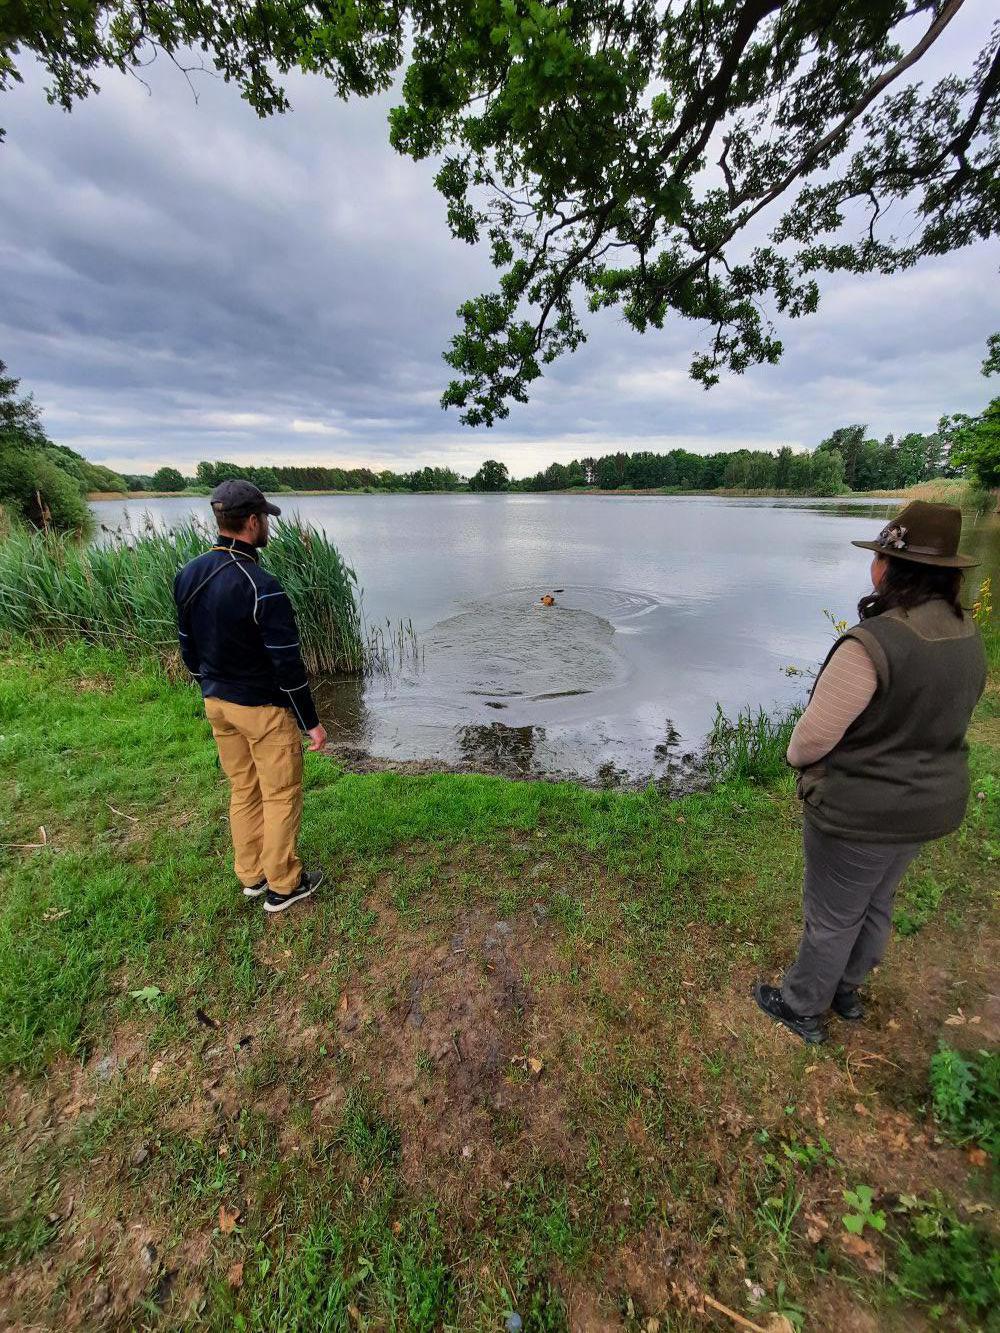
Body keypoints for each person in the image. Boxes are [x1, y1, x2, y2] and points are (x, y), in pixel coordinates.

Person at [755, 501, 986, 1044]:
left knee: (832, 915)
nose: (874, 564)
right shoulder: (966, 634)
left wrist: (799, 762)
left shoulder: (873, 644)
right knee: (877, 902)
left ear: (891, 568)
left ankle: (802, 1006)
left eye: (880, 555)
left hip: (861, 812)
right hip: (927, 807)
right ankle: (846, 991)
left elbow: (811, 739)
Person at [173, 479, 327, 914]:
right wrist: (310, 722)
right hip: (261, 710)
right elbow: (287, 665)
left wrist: (211, 687)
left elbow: (188, 648)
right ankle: (284, 885)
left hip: (217, 704)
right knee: (280, 793)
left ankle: (252, 875)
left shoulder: (188, 574)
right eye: (265, 520)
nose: (268, 528)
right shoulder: (262, 585)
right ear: (253, 522)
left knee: (244, 789)